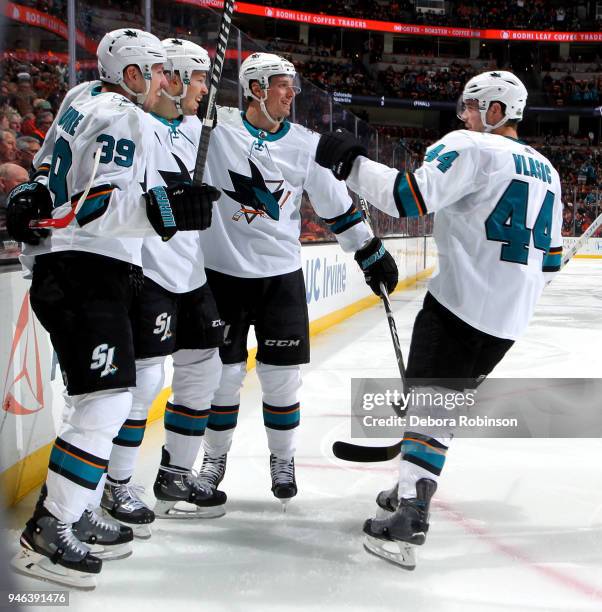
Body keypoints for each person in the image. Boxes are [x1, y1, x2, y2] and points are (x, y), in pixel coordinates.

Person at [315, 70, 563, 568]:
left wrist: (351, 162)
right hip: (509, 321)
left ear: (496, 112)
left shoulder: (473, 147)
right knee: (440, 405)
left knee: (431, 406)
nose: (463, 116)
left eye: (471, 107)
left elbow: (406, 198)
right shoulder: (549, 172)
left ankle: (410, 513)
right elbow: (551, 263)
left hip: (460, 303)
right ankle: (409, 483)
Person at [7, 28, 218, 589]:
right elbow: (98, 205)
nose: (164, 82)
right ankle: (48, 531)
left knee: (100, 399)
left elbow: (46, 192)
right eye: (156, 72)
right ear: (131, 76)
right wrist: (168, 213)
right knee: (105, 402)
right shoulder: (125, 116)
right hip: (88, 269)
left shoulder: (79, 100)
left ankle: (74, 511)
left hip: (73, 267)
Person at [196, 52, 398, 508]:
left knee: (282, 381)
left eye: (292, 84)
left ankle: (282, 459)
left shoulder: (306, 144)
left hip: (280, 280)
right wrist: (198, 104)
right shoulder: (216, 130)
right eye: (281, 84)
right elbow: (177, 117)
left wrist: (369, 251)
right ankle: (212, 460)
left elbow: (337, 206)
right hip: (222, 277)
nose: (292, 93)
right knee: (222, 380)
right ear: (254, 89)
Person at [100, 38, 225, 533]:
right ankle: (117, 483)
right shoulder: (135, 125)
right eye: (197, 79)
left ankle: (175, 473)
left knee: (204, 368)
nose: (204, 90)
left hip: (191, 273)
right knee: (145, 380)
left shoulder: (201, 128)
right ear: (169, 79)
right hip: (147, 272)